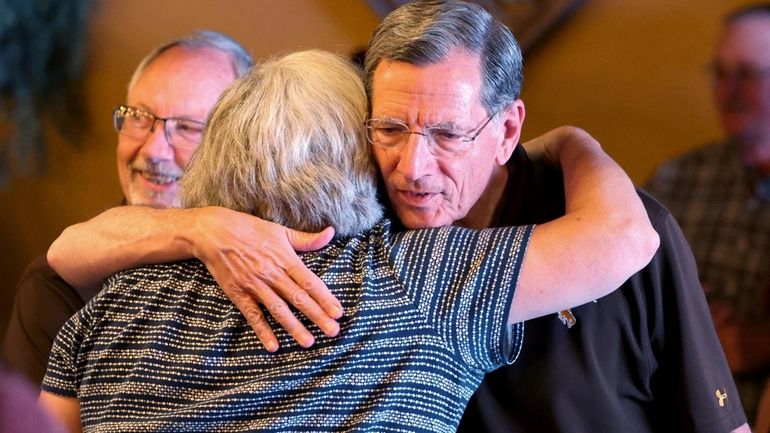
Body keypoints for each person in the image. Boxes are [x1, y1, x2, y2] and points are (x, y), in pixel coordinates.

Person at [42, 1, 750, 432]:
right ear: (357, 140)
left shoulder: (613, 217)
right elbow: (66, 255)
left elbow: (630, 242)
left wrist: (572, 146)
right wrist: (202, 227)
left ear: (507, 130)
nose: (413, 167)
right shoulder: (385, 252)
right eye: (387, 131)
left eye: (447, 134)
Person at [1, 30, 344, 384]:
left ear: (243, 142)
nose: (152, 151)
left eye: (187, 128)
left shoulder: (293, 249)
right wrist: (201, 227)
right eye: (138, 117)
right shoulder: (55, 286)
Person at [646, 3, 770, 423]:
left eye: (747, 74)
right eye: (720, 72)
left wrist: (759, 343)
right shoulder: (677, 177)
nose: (728, 90)